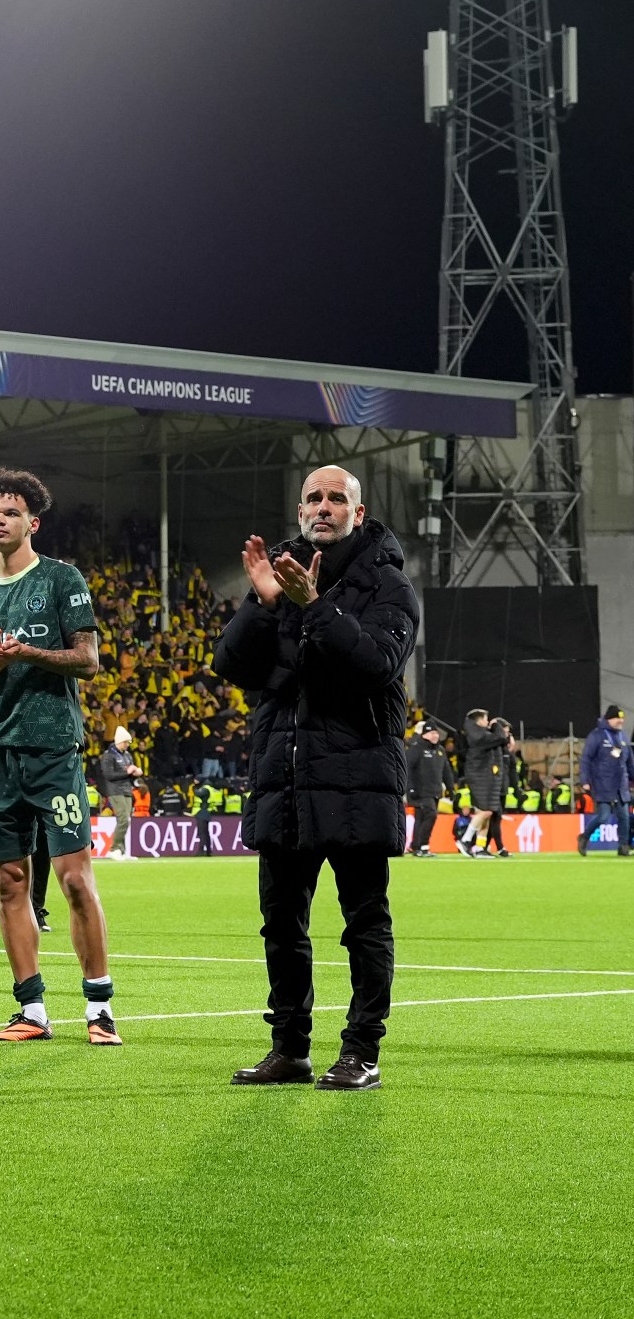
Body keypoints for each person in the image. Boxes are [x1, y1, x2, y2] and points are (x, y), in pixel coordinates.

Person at [214, 464, 419, 1092]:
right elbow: (231, 664)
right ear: (300, 510)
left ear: (358, 513)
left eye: (336, 499)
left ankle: (361, 1051)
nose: (322, 507)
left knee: (363, 922)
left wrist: (314, 605)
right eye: (312, 498)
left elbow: (376, 664)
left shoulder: (389, 585)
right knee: (281, 923)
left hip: (357, 777)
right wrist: (262, 603)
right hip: (284, 779)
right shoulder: (279, 577)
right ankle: (290, 1050)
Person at [0, 469, 119, 1045]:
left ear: (32, 523)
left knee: (74, 879)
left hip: (53, 749)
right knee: (8, 880)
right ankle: (32, 1010)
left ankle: (99, 1009)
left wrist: (26, 652)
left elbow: (88, 659)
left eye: (10, 513)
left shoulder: (60, 579)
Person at [458, 710, 512, 858]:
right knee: (486, 811)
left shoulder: (481, 734)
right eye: (486, 719)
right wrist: (497, 726)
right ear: (479, 721)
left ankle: (480, 848)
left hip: (484, 776)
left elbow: (500, 740)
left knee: (486, 815)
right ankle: (465, 840)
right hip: (480, 777)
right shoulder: (478, 736)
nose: (488, 722)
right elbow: (501, 738)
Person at [577, 706, 627, 858]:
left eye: (622, 718)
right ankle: (584, 837)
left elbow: (629, 760)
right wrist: (585, 780)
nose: (621, 721)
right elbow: (586, 759)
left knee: (624, 817)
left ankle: (623, 846)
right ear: (609, 719)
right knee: (603, 817)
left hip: (621, 784)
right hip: (602, 783)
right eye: (618, 718)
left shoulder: (623, 736)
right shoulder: (596, 735)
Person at [96, 726, 141, 862]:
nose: (128, 745)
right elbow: (108, 775)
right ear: (120, 741)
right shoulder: (108, 755)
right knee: (123, 819)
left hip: (127, 790)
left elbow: (129, 774)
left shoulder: (127, 755)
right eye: (126, 742)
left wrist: (135, 773)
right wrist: (127, 772)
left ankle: (122, 851)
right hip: (115, 790)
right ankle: (113, 849)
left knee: (126, 820)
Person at [404, 722, 447, 858]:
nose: (434, 735)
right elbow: (408, 769)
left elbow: (446, 770)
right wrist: (410, 788)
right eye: (431, 733)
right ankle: (423, 845)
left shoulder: (440, 750)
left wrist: (450, 787)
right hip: (420, 790)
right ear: (424, 735)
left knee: (420, 818)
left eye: (436, 733)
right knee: (431, 815)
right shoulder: (416, 749)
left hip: (435, 790)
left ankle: (416, 846)